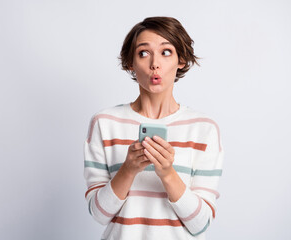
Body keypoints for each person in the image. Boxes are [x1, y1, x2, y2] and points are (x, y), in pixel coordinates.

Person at [83, 16, 224, 240]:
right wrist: (128, 169)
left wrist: (167, 173)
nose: (154, 64)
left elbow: (201, 223)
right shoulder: (104, 122)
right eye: (143, 53)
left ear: (181, 60)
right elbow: (99, 214)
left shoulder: (203, 128)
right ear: (131, 63)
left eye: (166, 52)